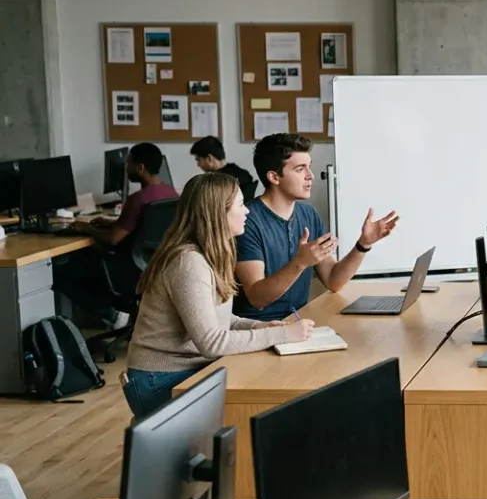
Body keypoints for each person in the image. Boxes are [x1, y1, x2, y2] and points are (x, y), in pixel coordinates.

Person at [124, 173, 314, 417]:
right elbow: (211, 343)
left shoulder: (212, 253)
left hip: (185, 368)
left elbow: (220, 319)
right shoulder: (188, 262)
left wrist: (259, 326)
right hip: (160, 379)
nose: (247, 211)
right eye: (240, 205)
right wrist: (282, 334)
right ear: (216, 213)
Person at [234, 133, 400, 322]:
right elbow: (257, 298)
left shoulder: (309, 215)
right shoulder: (247, 220)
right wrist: (300, 263)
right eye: (300, 169)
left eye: (309, 167)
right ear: (274, 177)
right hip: (258, 328)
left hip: (298, 321)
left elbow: (332, 280)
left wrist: (363, 244)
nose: (310, 176)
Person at [57, 142, 179, 327]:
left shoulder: (138, 199)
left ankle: (114, 314)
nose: (126, 167)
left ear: (140, 167)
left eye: (129, 162)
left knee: (61, 274)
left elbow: (113, 239)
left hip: (127, 270)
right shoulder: (171, 193)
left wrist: (86, 228)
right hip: (155, 266)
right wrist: (113, 223)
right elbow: (143, 227)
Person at [190, 136, 256, 197]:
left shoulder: (219, 182)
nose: (198, 165)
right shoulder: (243, 174)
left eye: (199, 160)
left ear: (209, 158)